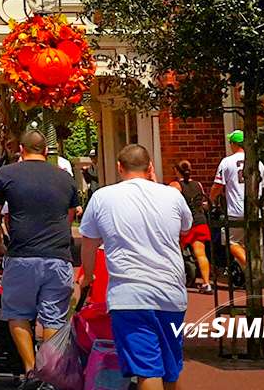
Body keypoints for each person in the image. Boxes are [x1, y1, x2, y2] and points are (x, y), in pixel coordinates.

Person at [79, 144, 191, 390]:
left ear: (120, 168)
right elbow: (185, 229)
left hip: (130, 296)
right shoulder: (172, 195)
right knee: (170, 369)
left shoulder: (102, 197)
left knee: (147, 370)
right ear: (150, 167)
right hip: (171, 294)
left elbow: (88, 244)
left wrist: (88, 276)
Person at [0, 129, 79, 371]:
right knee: (54, 316)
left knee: (17, 312)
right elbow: (70, 215)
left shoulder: (7, 174)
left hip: (22, 255)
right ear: (46, 151)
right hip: (57, 256)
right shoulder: (64, 177)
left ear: (21, 151)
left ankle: (30, 368)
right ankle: (48, 370)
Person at [210, 130, 264, 276]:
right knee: (253, 243)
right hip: (255, 210)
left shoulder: (227, 162)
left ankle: (251, 267)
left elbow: (217, 186)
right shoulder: (258, 163)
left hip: (236, 210)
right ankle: (252, 271)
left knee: (231, 241)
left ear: (234, 144)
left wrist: (210, 199)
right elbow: (263, 187)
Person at [169, 160, 213, 294]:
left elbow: (169, 203)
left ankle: (174, 282)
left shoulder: (175, 185)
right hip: (200, 220)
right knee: (201, 253)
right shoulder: (198, 184)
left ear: (176, 171)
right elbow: (203, 203)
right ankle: (206, 283)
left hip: (185, 223)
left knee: (174, 252)